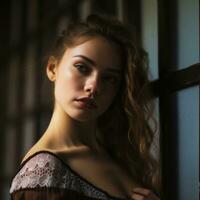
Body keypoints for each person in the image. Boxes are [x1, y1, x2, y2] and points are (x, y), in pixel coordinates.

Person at [10, 14, 161, 200]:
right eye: (82, 67)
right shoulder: (44, 176)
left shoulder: (118, 154)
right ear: (52, 68)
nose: (94, 86)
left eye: (109, 78)